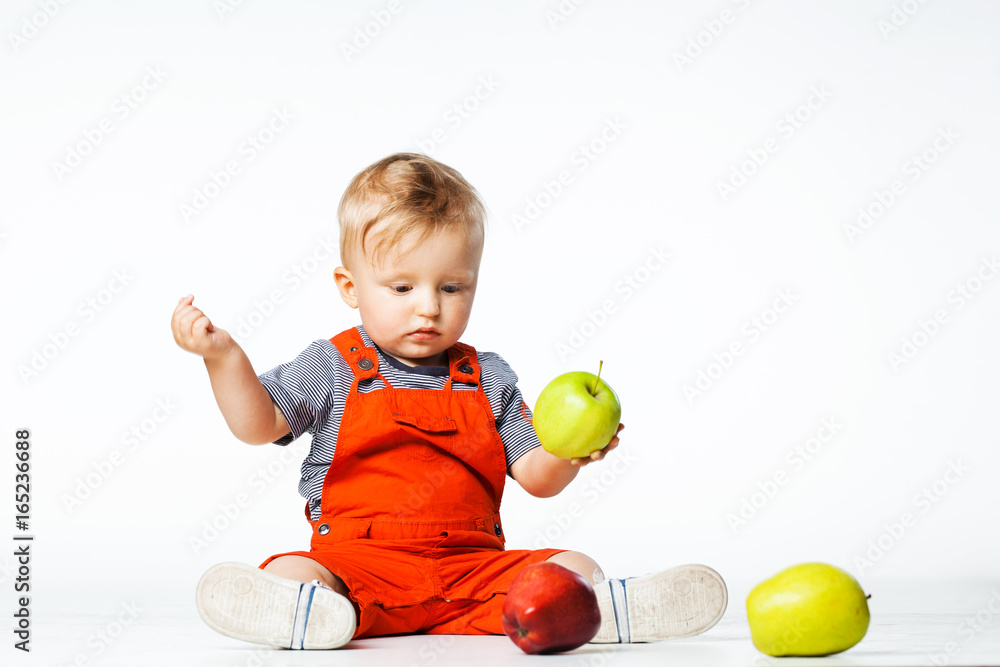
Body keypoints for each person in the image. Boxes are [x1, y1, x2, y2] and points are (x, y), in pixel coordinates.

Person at [170, 152, 727, 650]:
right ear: (350, 288)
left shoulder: (489, 377)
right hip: (361, 565)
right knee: (295, 570)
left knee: (573, 565)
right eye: (402, 287)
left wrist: (570, 449)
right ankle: (304, 610)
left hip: (472, 570)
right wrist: (223, 358)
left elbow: (536, 477)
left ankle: (594, 609)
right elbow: (259, 424)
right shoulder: (334, 367)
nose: (429, 307)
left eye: (451, 287)